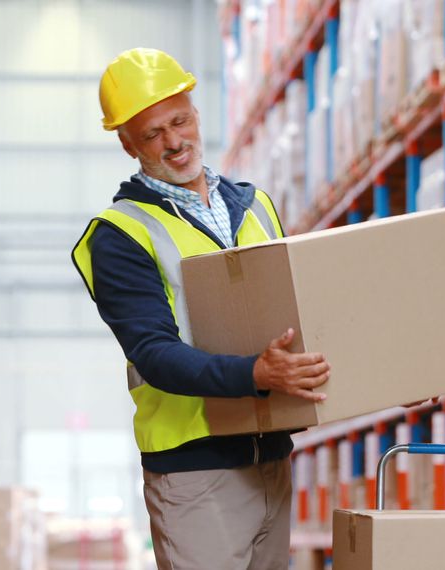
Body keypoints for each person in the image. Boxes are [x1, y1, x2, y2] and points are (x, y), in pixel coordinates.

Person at [71, 48, 331, 569]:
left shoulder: (256, 206)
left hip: (271, 457)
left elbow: (303, 315)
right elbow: (155, 353)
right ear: (126, 143)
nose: (174, 141)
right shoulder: (120, 234)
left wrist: (393, 376)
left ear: (195, 110)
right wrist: (256, 373)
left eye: (180, 120)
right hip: (195, 472)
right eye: (152, 134)